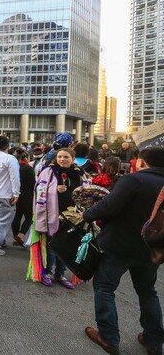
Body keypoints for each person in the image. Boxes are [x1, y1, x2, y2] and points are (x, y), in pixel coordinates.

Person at [82, 147, 164, 355]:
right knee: (148, 292)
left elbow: (109, 206)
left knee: (104, 286)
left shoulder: (134, 180)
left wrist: (86, 215)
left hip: (120, 244)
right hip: (152, 248)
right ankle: (153, 341)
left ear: (142, 162)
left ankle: (109, 338)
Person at [29, 148, 89, 289]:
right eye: (60, 157)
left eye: (66, 157)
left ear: (72, 159)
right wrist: (54, 190)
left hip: (73, 217)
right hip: (52, 214)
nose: (62, 159)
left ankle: (60, 274)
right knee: (52, 244)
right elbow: (39, 191)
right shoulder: (48, 172)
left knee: (67, 245)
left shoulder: (79, 174)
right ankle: (47, 273)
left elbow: (86, 194)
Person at [11, 148, 35, 247]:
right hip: (27, 196)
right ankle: (20, 235)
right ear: (27, 158)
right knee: (29, 217)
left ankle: (15, 236)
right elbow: (32, 184)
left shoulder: (15, 167)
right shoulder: (28, 168)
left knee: (17, 215)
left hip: (16, 194)